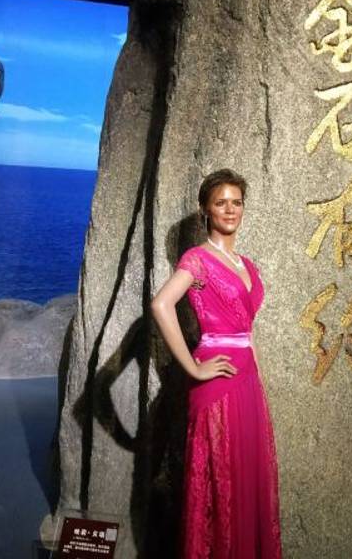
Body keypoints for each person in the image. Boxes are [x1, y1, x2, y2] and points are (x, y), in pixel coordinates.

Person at [151, 168, 283, 558]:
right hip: (216, 378)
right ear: (205, 210)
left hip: (247, 381)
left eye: (236, 202)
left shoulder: (248, 265)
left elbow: (248, 333)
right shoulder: (197, 260)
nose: (230, 209)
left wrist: (258, 385)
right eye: (220, 202)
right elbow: (161, 305)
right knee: (219, 478)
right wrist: (194, 368)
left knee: (246, 478)